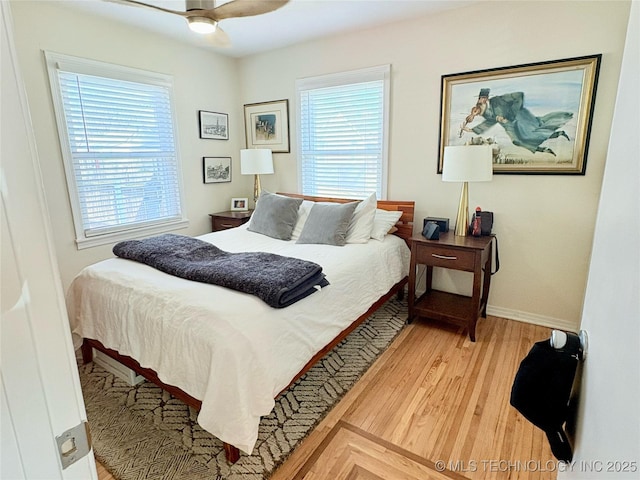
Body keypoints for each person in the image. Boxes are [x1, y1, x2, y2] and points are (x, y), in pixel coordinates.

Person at [460, 88, 573, 156]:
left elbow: (519, 95)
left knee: (532, 132)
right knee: (517, 141)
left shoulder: (498, 100)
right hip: (508, 125)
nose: (483, 100)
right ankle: (543, 149)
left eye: (485, 97)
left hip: (518, 117)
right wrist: (471, 130)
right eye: (481, 98)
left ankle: (558, 134)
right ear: (479, 99)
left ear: (487, 97)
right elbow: (489, 122)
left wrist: (511, 114)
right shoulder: (483, 112)